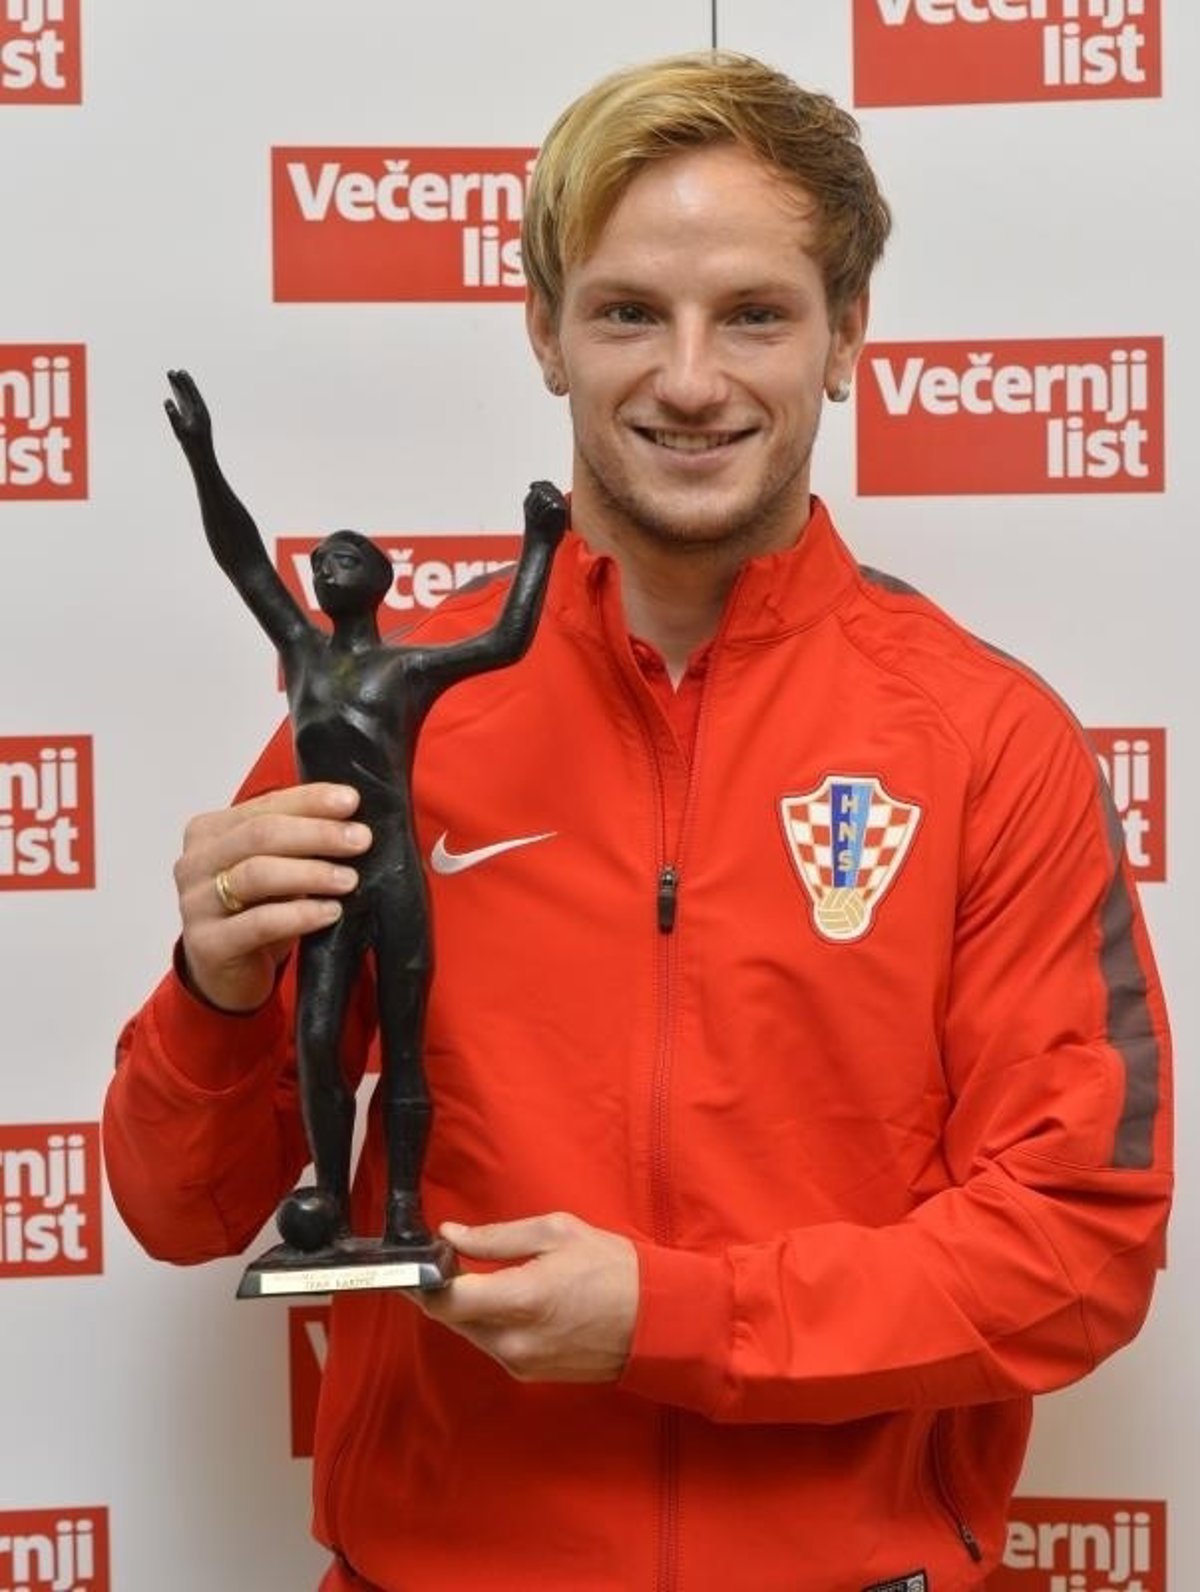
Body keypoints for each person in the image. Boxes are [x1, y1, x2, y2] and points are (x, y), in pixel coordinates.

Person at [104, 51, 1172, 1592]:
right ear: (543, 330)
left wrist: (675, 1322)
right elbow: (176, 1208)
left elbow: (1076, 1250)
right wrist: (211, 993)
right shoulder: (398, 720)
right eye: (625, 313)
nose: (688, 378)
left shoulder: (987, 741)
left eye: (754, 315)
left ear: (850, 334)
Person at [163, 368, 567, 1262]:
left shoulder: (406, 669)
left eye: (347, 556)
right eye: (321, 559)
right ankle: (334, 1211)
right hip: (328, 890)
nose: (327, 564)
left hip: (394, 880)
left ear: (380, 580)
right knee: (315, 1043)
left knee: (410, 1052)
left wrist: (540, 543)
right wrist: (202, 456)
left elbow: (506, 641)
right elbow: (242, 559)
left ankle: (406, 1212)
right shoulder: (303, 654)